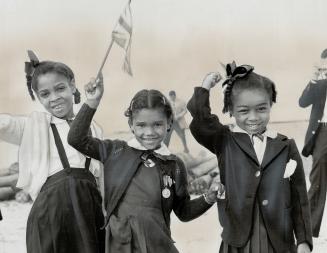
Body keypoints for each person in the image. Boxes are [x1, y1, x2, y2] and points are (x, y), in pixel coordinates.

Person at [67, 78, 223, 253]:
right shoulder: (114, 151)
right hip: (120, 245)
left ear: (169, 123)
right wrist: (92, 101)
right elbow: (76, 138)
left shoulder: (174, 164)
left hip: (158, 245)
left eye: (157, 124)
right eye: (141, 125)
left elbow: (184, 212)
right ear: (131, 125)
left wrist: (208, 198)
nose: (149, 132)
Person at [187, 62, 312, 253]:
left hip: (279, 242)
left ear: (270, 105)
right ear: (231, 110)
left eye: (261, 109)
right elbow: (201, 121)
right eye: (244, 111)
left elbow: (299, 197)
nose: (253, 117)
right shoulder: (224, 141)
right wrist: (205, 87)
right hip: (238, 241)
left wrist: (303, 240)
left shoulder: (286, 146)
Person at [0, 51, 105, 253]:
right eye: (45, 94)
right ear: (38, 98)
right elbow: (5, 124)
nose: (54, 98)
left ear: (72, 86)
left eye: (60, 89)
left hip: (88, 209)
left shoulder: (95, 128)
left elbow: (100, 175)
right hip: (51, 213)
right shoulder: (33, 125)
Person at [299, 56, 327, 237]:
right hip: (323, 133)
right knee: (317, 180)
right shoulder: (320, 83)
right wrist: (315, 78)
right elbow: (302, 102)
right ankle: (307, 231)